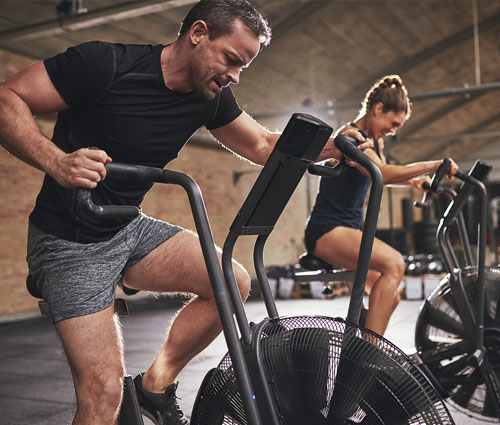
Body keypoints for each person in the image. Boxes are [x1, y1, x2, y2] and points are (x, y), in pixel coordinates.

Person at [0, 1, 371, 424]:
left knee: (232, 282)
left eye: (243, 67)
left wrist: (333, 144)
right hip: (69, 243)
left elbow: (264, 146)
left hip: (126, 226)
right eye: (231, 59)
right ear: (197, 34)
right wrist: (55, 159)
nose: (234, 76)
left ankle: (153, 388)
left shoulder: (208, 96)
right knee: (102, 394)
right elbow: (6, 96)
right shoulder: (103, 64)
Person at [304, 74, 458, 337]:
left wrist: (413, 182)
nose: (393, 129)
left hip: (348, 229)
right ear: (377, 109)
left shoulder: (375, 142)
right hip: (328, 230)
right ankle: (367, 355)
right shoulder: (350, 136)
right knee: (395, 264)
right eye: (393, 122)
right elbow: (383, 173)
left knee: (391, 296)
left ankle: (364, 346)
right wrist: (433, 165)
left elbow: (377, 177)